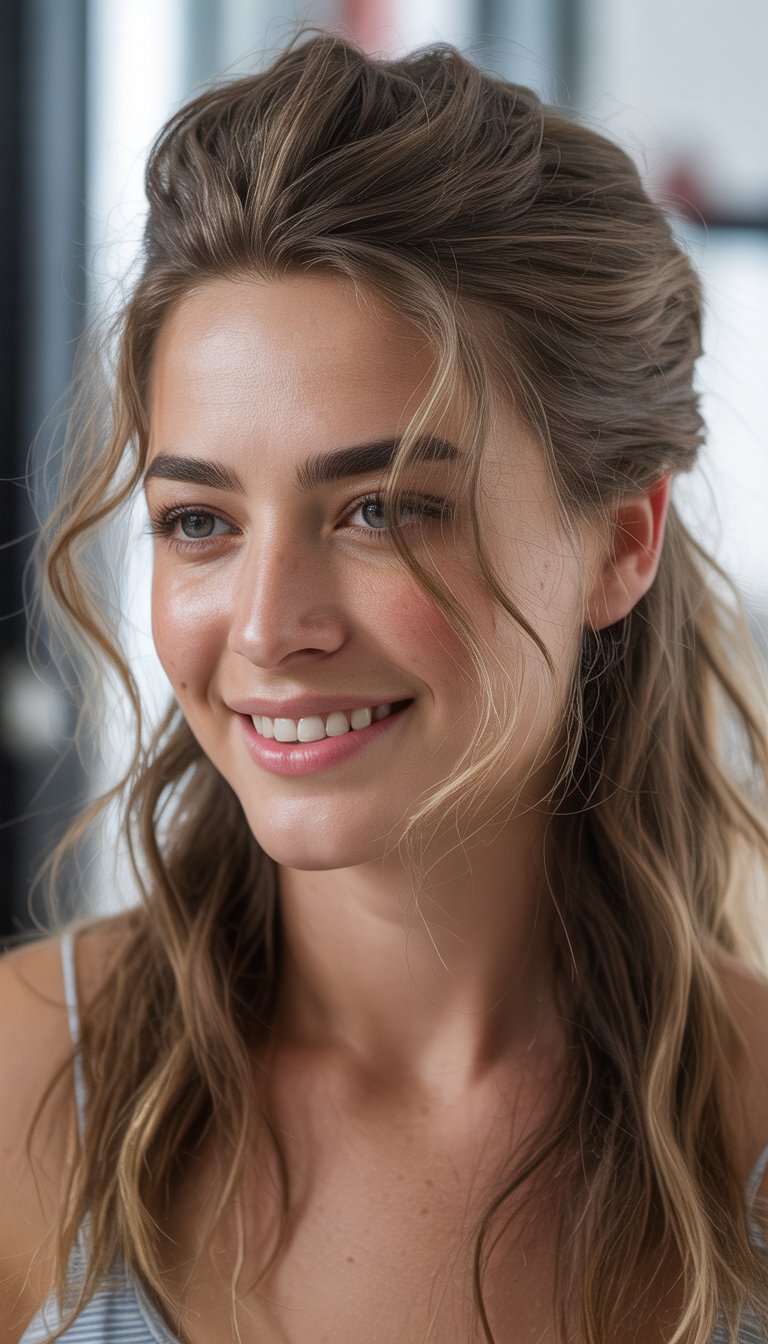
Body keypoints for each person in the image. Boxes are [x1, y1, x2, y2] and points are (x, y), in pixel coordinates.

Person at [2, 30, 768, 1344]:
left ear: (624, 542)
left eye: (380, 511)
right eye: (200, 521)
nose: (265, 625)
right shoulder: (21, 1094)